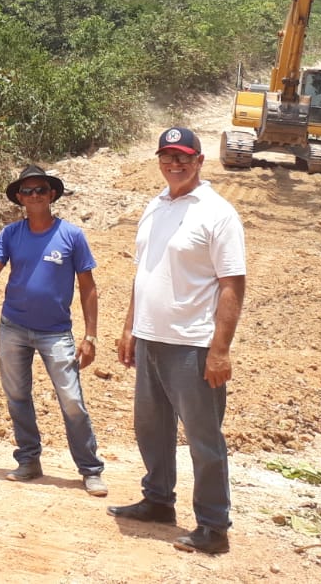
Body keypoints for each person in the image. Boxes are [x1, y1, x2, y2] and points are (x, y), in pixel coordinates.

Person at [109, 127, 247, 556]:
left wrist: (220, 350)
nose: (175, 164)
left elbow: (232, 285)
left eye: (184, 157)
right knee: (151, 427)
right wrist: (131, 327)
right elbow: (144, 272)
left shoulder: (217, 213)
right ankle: (157, 500)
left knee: (203, 438)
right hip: (151, 337)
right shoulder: (155, 206)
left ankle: (213, 526)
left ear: (199, 161)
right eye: (168, 156)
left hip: (193, 344)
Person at [0, 165, 107, 497]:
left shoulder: (72, 236)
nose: (34, 196)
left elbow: (88, 287)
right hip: (13, 328)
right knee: (18, 396)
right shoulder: (10, 234)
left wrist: (90, 336)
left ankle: (90, 469)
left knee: (71, 400)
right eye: (27, 191)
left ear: (52, 194)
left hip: (56, 333)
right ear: (20, 198)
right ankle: (29, 461)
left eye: (40, 190)